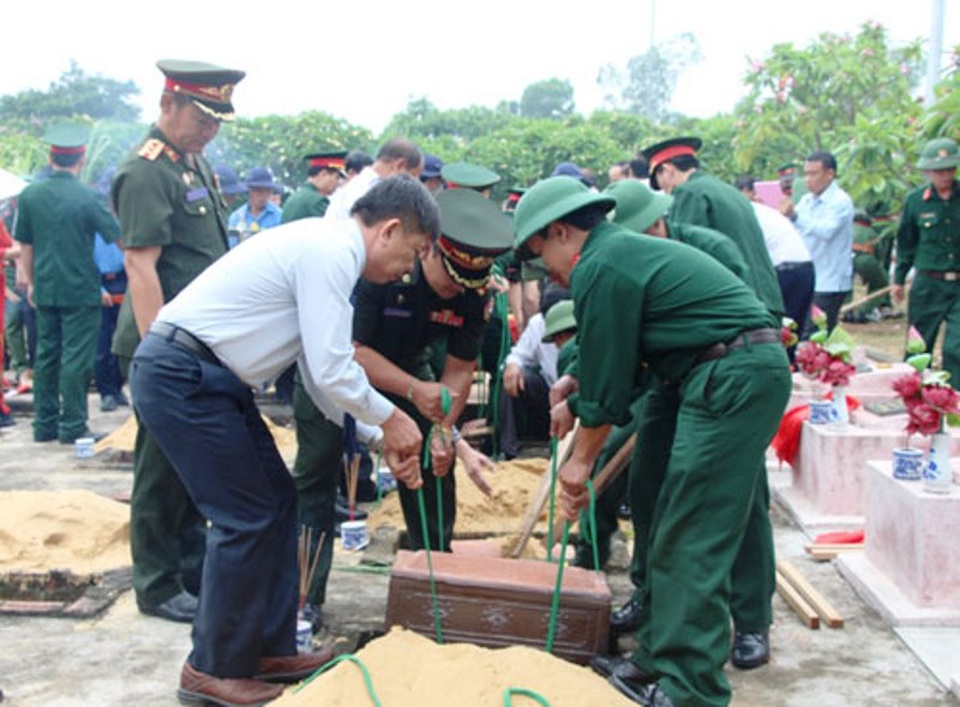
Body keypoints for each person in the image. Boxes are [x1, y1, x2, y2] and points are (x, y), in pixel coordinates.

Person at [129, 174, 434, 706]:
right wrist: (392, 420)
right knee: (243, 514)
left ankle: (265, 648)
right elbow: (335, 369)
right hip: (185, 374)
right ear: (388, 230)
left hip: (213, 381)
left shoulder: (328, 252)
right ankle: (211, 667)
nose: (407, 270)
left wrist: (370, 431)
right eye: (412, 254)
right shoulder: (330, 251)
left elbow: (320, 377)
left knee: (275, 501)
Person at [514, 176, 791, 707]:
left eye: (540, 252)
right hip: (691, 373)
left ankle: (693, 689)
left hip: (733, 374)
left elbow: (609, 391)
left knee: (694, 534)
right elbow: (611, 366)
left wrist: (579, 464)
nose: (544, 269)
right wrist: (576, 393)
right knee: (663, 521)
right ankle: (657, 658)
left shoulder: (603, 264)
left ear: (561, 231)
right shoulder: (613, 257)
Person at [637, 137, 786, 670]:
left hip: (731, 358)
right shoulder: (726, 193)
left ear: (666, 178)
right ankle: (659, 603)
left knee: (739, 496)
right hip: (704, 356)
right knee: (667, 481)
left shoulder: (693, 202)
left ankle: (750, 620)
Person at [112, 59, 245, 624]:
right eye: (201, 117)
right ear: (168, 103)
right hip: (161, 346)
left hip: (196, 341)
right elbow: (141, 268)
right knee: (161, 468)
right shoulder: (147, 173)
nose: (209, 130)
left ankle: (190, 572)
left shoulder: (193, 163)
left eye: (217, 120)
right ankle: (158, 583)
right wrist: (153, 355)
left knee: (190, 463)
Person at [351, 187, 514, 550]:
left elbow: (459, 368)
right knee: (323, 461)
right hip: (341, 368)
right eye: (452, 278)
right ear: (429, 249)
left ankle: (435, 554)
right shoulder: (385, 270)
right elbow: (354, 353)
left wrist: (443, 429)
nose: (457, 290)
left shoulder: (475, 295)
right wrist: (412, 390)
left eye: (467, 283)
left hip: (411, 365)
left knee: (433, 454)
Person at [14, 123, 121, 444]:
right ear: (82, 158)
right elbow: (117, 238)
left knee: (45, 355)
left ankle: (44, 425)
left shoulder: (31, 195)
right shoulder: (89, 198)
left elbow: (27, 247)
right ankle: (73, 425)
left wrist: (31, 283)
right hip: (80, 290)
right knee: (76, 357)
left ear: (51, 156)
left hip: (45, 288)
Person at [894, 137, 960, 384]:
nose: (945, 175)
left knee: (956, 348)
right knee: (918, 349)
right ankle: (915, 399)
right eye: (939, 170)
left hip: (958, 285)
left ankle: (953, 403)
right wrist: (898, 280)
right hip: (928, 285)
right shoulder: (915, 201)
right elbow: (906, 243)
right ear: (928, 171)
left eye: (950, 169)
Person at [779, 151, 854, 334]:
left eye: (814, 174)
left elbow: (826, 231)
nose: (808, 180)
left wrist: (795, 216)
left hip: (829, 281)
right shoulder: (806, 201)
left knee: (815, 335)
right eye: (806, 174)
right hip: (810, 276)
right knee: (801, 332)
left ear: (830, 174)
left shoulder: (840, 201)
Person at [736, 175, 815, 340]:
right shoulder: (763, 210)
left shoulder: (743, 213)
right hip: (805, 268)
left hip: (785, 269)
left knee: (776, 331)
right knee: (792, 333)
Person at [498, 284, 569, 459]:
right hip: (549, 393)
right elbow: (518, 354)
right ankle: (509, 449)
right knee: (517, 377)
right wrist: (513, 365)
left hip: (579, 397)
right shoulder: (538, 323)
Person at [325, 139, 423, 220]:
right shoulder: (369, 192)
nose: (416, 183)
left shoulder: (358, 185)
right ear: (400, 165)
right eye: (414, 176)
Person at [845, 212, 891, 323]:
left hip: (845, 259)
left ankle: (847, 312)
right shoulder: (871, 232)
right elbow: (880, 255)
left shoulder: (846, 230)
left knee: (845, 285)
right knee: (881, 284)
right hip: (865, 260)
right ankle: (864, 311)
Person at [281, 151, 347, 223]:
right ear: (323, 174)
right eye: (336, 178)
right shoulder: (316, 201)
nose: (338, 183)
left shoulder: (297, 196)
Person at [228, 166, 283, 247]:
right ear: (250, 190)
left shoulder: (279, 217)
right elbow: (231, 249)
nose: (263, 195)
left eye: (267, 190)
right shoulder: (236, 218)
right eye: (258, 190)